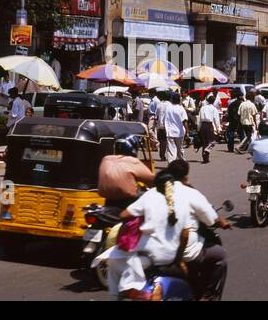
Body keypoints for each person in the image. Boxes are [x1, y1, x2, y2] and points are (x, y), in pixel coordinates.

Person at [105, 161, 231, 300]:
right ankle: (207, 297)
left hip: (147, 254)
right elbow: (205, 222)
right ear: (184, 177)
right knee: (220, 255)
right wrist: (178, 259)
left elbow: (124, 215)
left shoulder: (149, 195)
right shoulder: (189, 194)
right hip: (178, 254)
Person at [97, 135, 155, 209]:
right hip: (128, 201)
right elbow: (151, 179)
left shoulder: (106, 159)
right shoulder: (132, 161)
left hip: (108, 201)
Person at [160, 91, 188, 163]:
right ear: (179, 100)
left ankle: (171, 164)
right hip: (179, 132)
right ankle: (182, 162)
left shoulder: (168, 108)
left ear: (172, 100)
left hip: (170, 132)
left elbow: (164, 119)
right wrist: (187, 131)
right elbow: (184, 121)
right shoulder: (181, 108)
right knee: (180, 149)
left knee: (171, 150)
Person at [196, 95, 221, 164]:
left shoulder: (203, 108)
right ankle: (207, 152)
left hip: (203, 126)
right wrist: (218, 129)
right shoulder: (214, 109)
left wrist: (198, 128)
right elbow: (216, 120)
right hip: (209, 126)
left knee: (204, 142)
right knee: (212, 141)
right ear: (213, 101)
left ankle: (205, 158)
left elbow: (199, 119)